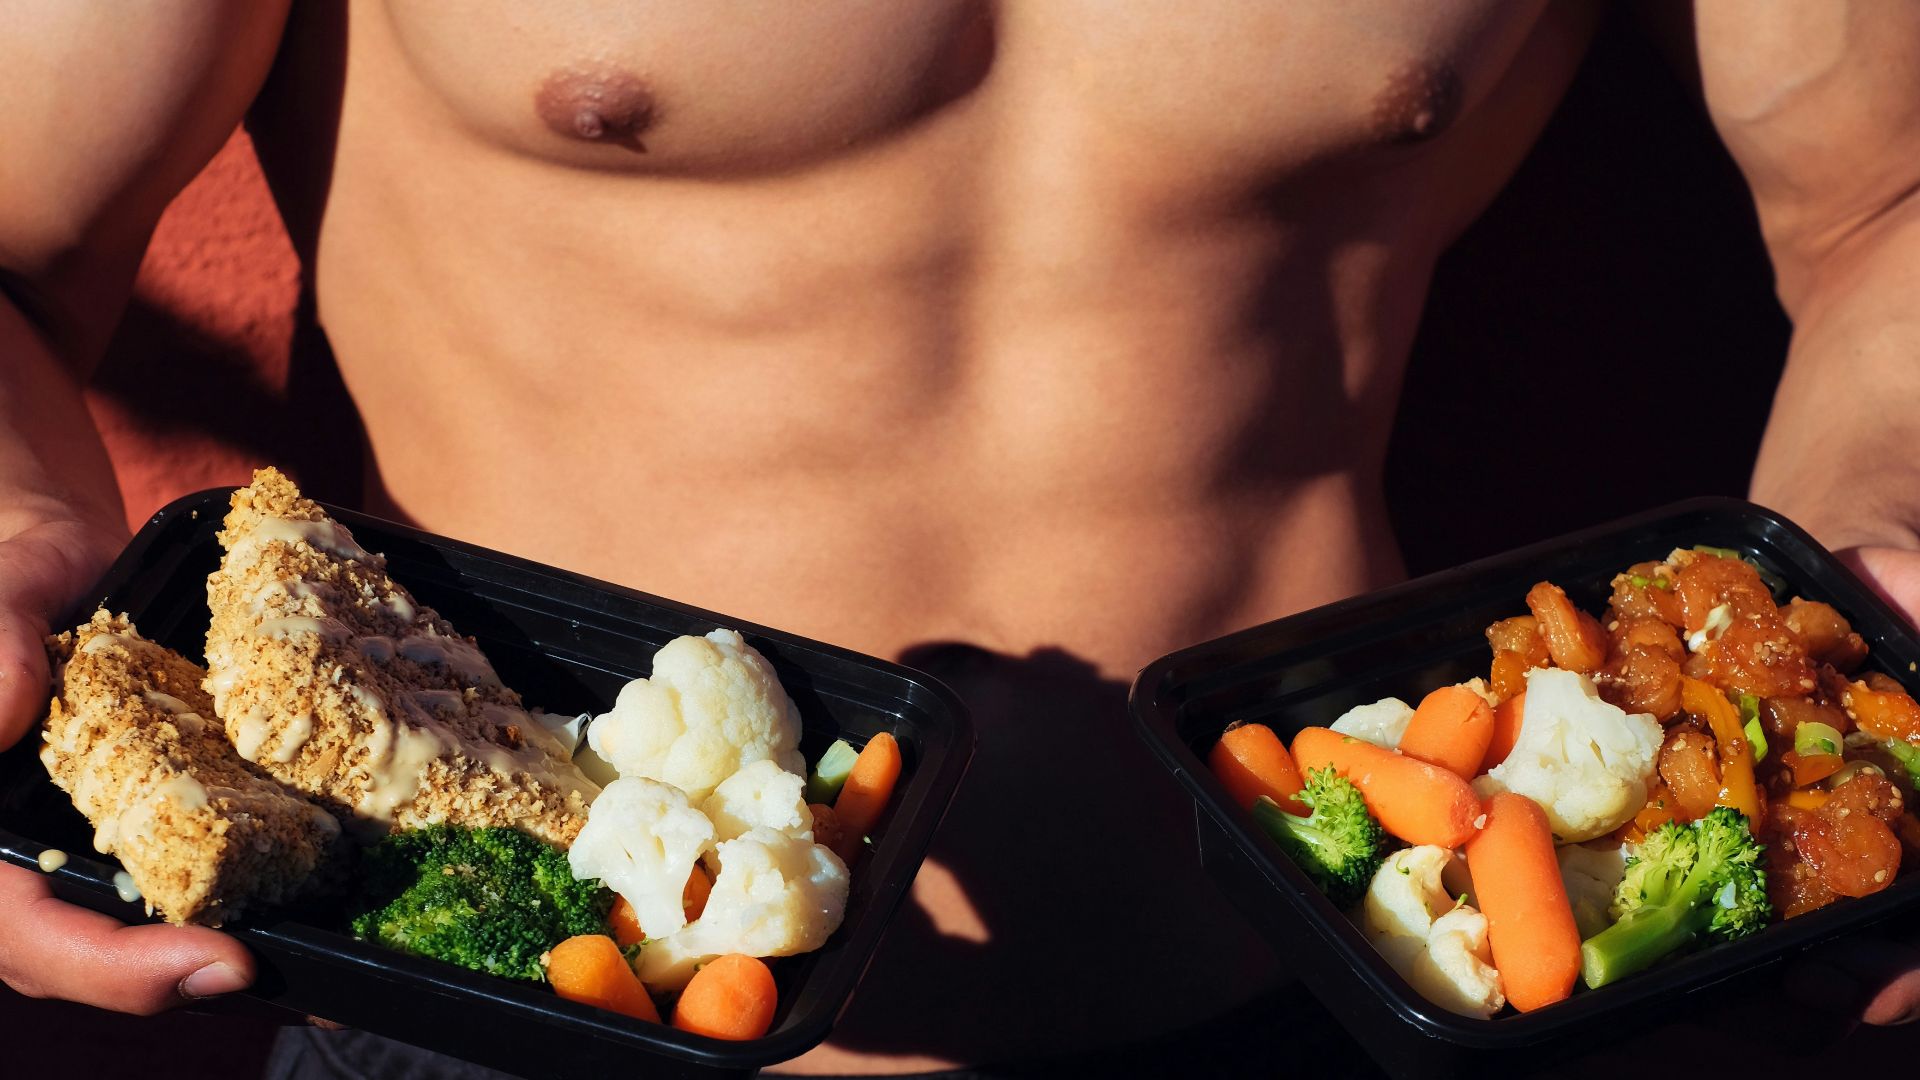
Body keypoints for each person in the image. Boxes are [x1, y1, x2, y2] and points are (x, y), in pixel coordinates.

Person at [4, 1, 1920, 1074]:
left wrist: (1892, 565)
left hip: (1350, 989)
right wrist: (11, 557)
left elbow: (1883, 209)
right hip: (531, 1011)